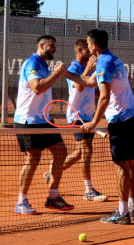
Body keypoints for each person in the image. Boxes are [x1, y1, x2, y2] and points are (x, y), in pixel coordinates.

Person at [61, 29, 134, 224]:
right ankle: (131, 208)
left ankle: (122, 212)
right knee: (131, 163)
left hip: (121, 120)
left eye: (89, 44)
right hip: (133, 116)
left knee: (122, 166)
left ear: (94, 45)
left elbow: (104, 97)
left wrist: (93, 122)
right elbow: (90, 82)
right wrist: (66, 74)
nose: (88, 47)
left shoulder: (104, 63)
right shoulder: (113, 59)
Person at [14, 35, 74, 215]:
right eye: (51, 46)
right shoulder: (32, 63)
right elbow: (37, 87)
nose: (54, 49)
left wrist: (55, 73)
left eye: (55, 46)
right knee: (33, 159)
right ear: (42, 45)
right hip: (28, 120)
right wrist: (57, 74)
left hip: (44, 120)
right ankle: (21, 201)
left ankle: (53, 197)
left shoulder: (44, 66)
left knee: (61, 152)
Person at [44, 38, 108, 202]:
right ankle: (88, 190)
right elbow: (79, 87)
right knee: (86, 151)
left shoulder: (88, 68)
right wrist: (88, 68)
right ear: (80, 50)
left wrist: (107, 95)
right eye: (88, 50)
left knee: (80, 153)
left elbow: (89, 91)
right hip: (77, 116)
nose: (91, 53)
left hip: (88, 115)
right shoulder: (72, 69)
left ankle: (52, 173)